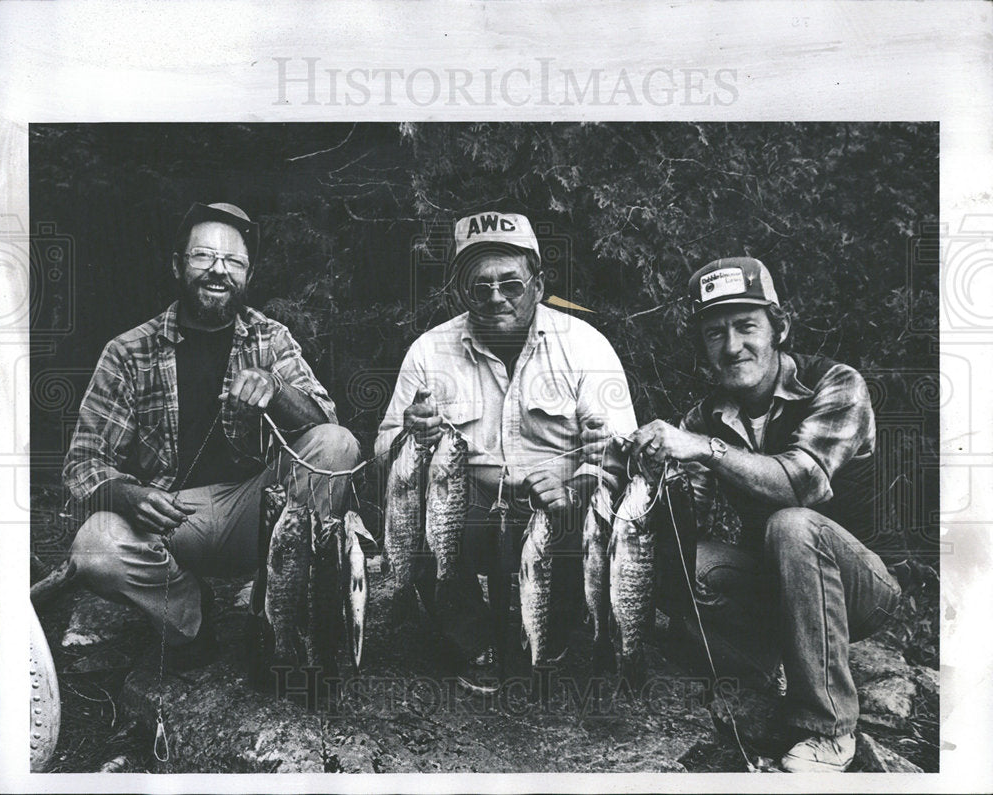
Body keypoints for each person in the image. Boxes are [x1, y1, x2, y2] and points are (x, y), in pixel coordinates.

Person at [625, 257, 900, 772]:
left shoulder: (837, 385)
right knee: (677, 558)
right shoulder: (707, 416)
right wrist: (645, 471)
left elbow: (801, 482)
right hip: (777, 585)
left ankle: (830, 730)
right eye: (714, 333)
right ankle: (766, 666)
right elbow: (690, 522)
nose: (732, 346)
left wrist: (704, 448)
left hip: (861, 587)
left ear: (780, 327)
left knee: (791, 523)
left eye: (746, 326)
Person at [63, 202, 360, 669]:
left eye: (234, 262)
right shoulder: (127, 351)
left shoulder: (269, 337)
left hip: (257, 510)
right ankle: (188, 615)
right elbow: (83, 461)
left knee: (337, 444)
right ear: (178, 265)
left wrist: (278, 389)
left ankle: (280, 611)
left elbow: (323, 419)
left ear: (247, 275)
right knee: (94, 548)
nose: (219, 271)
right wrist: (124, 493)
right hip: (172, 518)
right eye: (203, 257)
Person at [376, 211, 638, 693]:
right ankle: (470, 636)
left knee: (599, 512)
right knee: (424, 511)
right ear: (460, 292)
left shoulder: (586, 347)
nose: (496, 297)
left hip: (561, 503)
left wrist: (575, 484)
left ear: (538, 284)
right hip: (469, 504)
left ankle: (555, 631)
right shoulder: (428, 353)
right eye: (480, 287)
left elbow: (621, 454)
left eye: (511, 284)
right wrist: (412, 437)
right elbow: (383, 450)